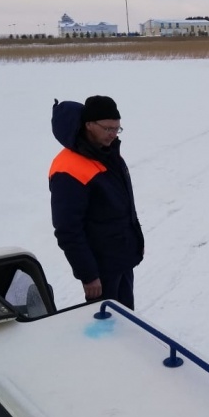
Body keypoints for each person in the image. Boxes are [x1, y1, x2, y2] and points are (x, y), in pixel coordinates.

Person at [49, 95, 144, 308]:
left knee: (127, 320)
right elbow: (68, 230)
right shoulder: (68, 169)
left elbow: (122, 206)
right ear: (89, 125)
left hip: (121, 258)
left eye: (117, 129)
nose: (113, 134)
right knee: (106, 330)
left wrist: (135, 242)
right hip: (100, 269)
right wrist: (88, 274)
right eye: (108, 128)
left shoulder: (107, 153)